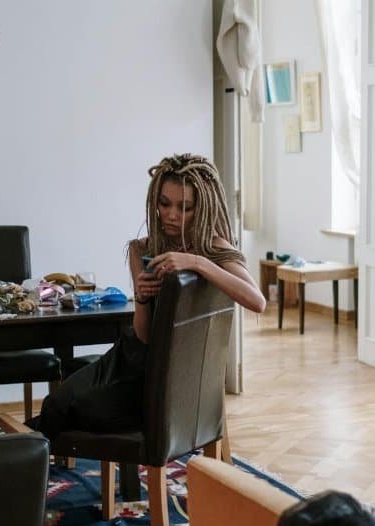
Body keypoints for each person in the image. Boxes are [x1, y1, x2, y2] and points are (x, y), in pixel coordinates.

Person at [32, 153, 265, 438]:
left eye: (185, 207)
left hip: (170, 377)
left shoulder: (214, 250)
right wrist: (141, 297)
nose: (171, 214)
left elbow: (257, 301)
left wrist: (197, 262)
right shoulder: (142, 250)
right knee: (55, 406)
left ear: (202, 208)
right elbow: (143, 335)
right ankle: (28, 455)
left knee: (64, 412)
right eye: (164, 203)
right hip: (130, 357)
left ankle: (26, 453)